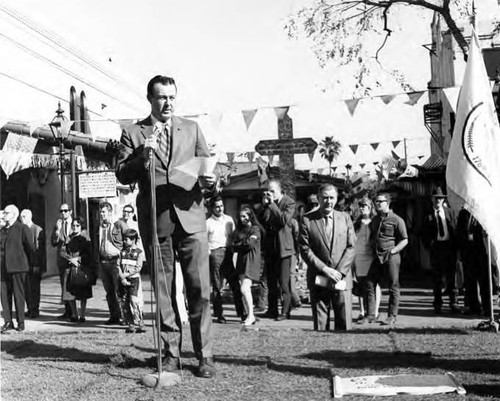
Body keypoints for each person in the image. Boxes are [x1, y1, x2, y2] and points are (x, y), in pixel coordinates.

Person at [115, 75, 216, 378]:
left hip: (192, 218)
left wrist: (212, 180)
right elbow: (121, 173)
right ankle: (170, 354)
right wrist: (141, 157)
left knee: (200, 289)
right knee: (162, 292)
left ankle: (205, 356)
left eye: (172, 97)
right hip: (157, 222)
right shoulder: (132, 133)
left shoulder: (192, 128)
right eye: (161, 97)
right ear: (150, 99)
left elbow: (208, 167)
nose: (168, 103)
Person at [299, 184, 356, 331]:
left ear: (336, 199)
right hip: (319, 277)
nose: (328, 201)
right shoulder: (307, 220)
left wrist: (339, 272)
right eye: (325, 198)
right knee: (321, 326)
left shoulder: (345, 218)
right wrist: (325, 269)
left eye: (332, 198)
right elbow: (305, 249)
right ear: (318, 198)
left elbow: (351, 247)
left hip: (341, 278)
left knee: (344, 325)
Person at [361, 192, 408, 326]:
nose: (377, 204)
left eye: (380, 202)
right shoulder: (375, 220)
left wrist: (393, 251)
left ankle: (392, 316)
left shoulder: (397, 220)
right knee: (369, 284)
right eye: (376, 202)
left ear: (387, 203)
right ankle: (371, 315)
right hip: (376, 256)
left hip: (391, 256)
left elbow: (405, 240)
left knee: (393, 285)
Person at [259, 179, 296, 321]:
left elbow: (283, 220)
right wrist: (264, 206)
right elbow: (261, 221)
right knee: (271, 282)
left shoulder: (289, 202)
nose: (270, 194)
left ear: (281, 191)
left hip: (284, 249)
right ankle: (272, 310)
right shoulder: (268, 204)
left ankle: (286, 311)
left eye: (273, 191)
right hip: (270, 248)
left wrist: (272, 205)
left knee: (283, 282)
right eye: (268, 191)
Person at [206, 195, 245, 323]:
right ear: (212, 208)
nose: (220, 209)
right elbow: (204, 241)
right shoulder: (208, 223)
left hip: (228, 252)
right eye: (217, 207)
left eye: (221, 206)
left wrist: (233, 252)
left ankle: (242, 313)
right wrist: (210, 254)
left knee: (235, 285)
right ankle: (219, 315)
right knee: (217, 286)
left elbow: (233, 236)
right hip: (215, 253)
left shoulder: (229, 220)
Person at [422, 187, 460, 314]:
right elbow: (422, 233)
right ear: (431, 199)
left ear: (443, 199)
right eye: (436, 198)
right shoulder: (427, 214)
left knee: (452, 277)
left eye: (440, 198)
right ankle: (437, 304)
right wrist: (429, 245)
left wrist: (456, 247)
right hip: (436, 247)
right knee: (437, 278)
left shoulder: (450, 212)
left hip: (449, 247)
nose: (438, 200)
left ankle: (453, 302)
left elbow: (455, 229)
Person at [1, 205, 34, 333]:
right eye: (3, 212)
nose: (4, 215)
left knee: (18, 295)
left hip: (18, 267)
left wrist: (30, 265)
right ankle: (8, 321)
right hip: (3, 268)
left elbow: (30, 248)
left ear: (14, 214)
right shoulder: (2, 230)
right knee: (4, 295)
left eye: (6, 213)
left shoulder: (22, 228)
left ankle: (20, 322)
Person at [232, 205, 262, 326]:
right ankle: (249, 315)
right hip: (241, 261)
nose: (242, 219)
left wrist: (239, 244)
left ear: (250, 216)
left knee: (244, 288)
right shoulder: (241, 230)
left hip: (251, 261)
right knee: (244, 290)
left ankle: (251, 315)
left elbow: (250, 244)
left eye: (244, 216)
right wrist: (240, 244)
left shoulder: (255, 229)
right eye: (240, 217)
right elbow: (234, 244)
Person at [98, 201, 127, 325]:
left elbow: (130, 239)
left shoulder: (119, 224)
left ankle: (125, 317)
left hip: (116, 261)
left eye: (103, 212)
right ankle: (114, 316)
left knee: (119, 290)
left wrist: (125, 259)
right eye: (100, 212)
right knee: (109, 291)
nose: (101, 214)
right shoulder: (100, 226)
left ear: (110, 212)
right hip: (104, 262)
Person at [62, 218, 96, 323]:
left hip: (82, 268)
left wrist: (79, 259)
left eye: (77, 225)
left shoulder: (86, 238)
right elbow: (62, 252)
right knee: (70, 292)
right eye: (73, 225)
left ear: (81, 226)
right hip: (70, 267)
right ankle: (74, 314)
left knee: (83, 293)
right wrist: (70, 259)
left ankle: (82, 315)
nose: (75, 227)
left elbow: (89, 254)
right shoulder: (68, 238)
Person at [353, 198, 381, 321]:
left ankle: (371, 314)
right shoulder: (356, 223)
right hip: (358, 257)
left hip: (371, 257)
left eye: (365, 205)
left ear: (370, 207)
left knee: (370, 286)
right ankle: (365, 313)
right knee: (362, 286)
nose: (362, 207)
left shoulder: (375, 222)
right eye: (361, 205)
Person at [117, 229, 146, 333]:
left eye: (127, 239)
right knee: (124, 302)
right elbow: (118, 265)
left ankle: (140, 321)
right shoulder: (122, 252)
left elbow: (138, 267)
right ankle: (130, 323)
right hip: (123, 280)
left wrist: (127, 274)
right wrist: (122, 277)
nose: (125, 241)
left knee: (134, 301)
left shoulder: (138, 253)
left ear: (133, 240)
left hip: (133, 279)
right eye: (124, 239)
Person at [20, 209, 45, 319]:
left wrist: (37, 264)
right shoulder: (22, 229)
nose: (22, 218)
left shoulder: (37, 229)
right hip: (24, 264)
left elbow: (39, 250)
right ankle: (29, 308)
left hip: (34, 264)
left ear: (30, 216)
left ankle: (35, 310)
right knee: (26, 288)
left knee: (34, 288)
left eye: (24, 216)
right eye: (21, 216)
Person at [50, 203, 74, 319]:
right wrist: (57, 232)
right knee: (63, 285)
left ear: (70, 211)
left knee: (72, 285)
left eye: (65, 211)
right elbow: (53, 242)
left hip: (73, 258)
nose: (63, 213)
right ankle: (67, 311)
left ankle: (75, 312)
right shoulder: (58, 224)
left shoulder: (75, 224)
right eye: (61, 211)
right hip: (62, 259)